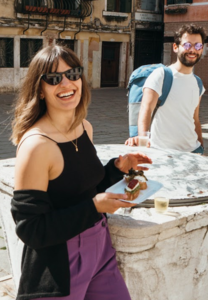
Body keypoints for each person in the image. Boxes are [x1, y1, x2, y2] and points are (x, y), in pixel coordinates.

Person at [9, 45, 153, 299]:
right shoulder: (36, 145)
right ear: (40, 90)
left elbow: (83, 189)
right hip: (58, 264)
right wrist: (94, 207)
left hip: (100, 248)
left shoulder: (84, 127)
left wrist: (117, 169)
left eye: (73, 74)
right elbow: (30, 228)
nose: (66, 83)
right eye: (54, 79)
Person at [125, 24, 207, 154]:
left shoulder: (198, 83)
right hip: (164, 152)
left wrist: (201, 145)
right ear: (176, 47)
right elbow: (145, 111)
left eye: (198, 46)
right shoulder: (161, 75)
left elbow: (195, 118)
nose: (192, 50)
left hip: (193, 151)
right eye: (187, 45)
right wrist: (143, 146)